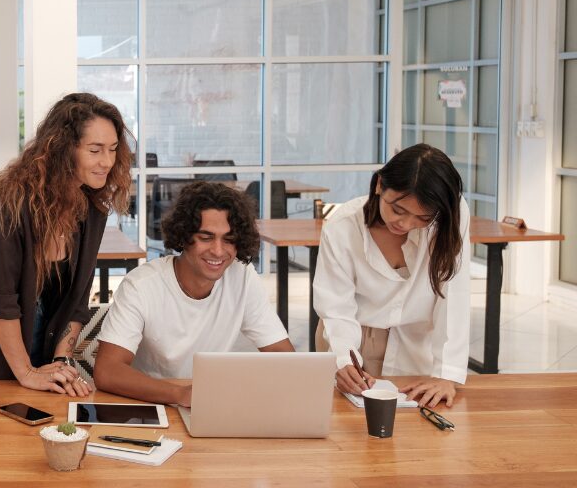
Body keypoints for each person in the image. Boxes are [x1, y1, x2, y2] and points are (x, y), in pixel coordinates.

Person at [0, 93, 133, 396]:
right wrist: (25, 372)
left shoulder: (92, 210)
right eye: (95, 150)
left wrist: (62, 360)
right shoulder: (10, 203)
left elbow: (77, 302)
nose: (107, 162)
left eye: (112, 149)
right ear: (64, 149)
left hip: (36, 351)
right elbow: (1, 301)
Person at [93, 181, 294, 406]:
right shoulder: (141, 286)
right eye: (205, 237)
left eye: (228, 239)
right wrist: (180, 395)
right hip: (149, 405)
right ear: (184, 236)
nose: (218, 251)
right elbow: (107, 372)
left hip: (210, 403)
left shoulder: (243, 277)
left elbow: (283, 355)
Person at [314, 143, 470, 409]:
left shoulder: (447, 216)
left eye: (421, 218)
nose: (406, 224)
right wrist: (343, 361)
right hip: (356, 342)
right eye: (398, 210)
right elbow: (336, 310)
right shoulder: (343, 227)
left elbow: (453, 296)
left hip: (417, 345)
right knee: (349, 435)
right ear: (379, 185)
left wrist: (446, 375)